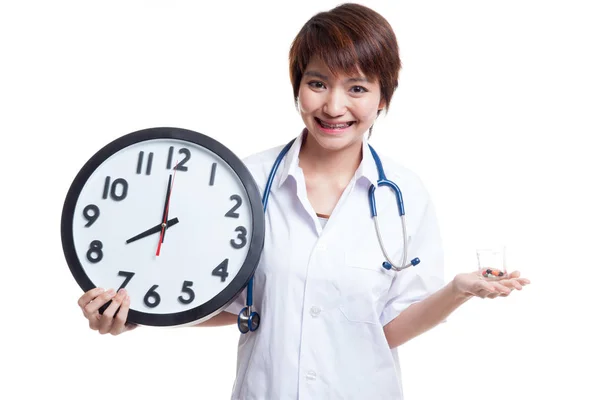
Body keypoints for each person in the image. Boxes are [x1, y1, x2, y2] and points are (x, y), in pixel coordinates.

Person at [76, 3, 530, 399]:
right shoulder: (242, 182)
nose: (334, 106)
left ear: (383, 98)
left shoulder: (405, 196)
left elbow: (387, 330)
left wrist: (457, 291)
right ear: (297, 88)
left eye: (357, 88)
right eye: (317, 83)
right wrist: (136, 313)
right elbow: (217, 303)